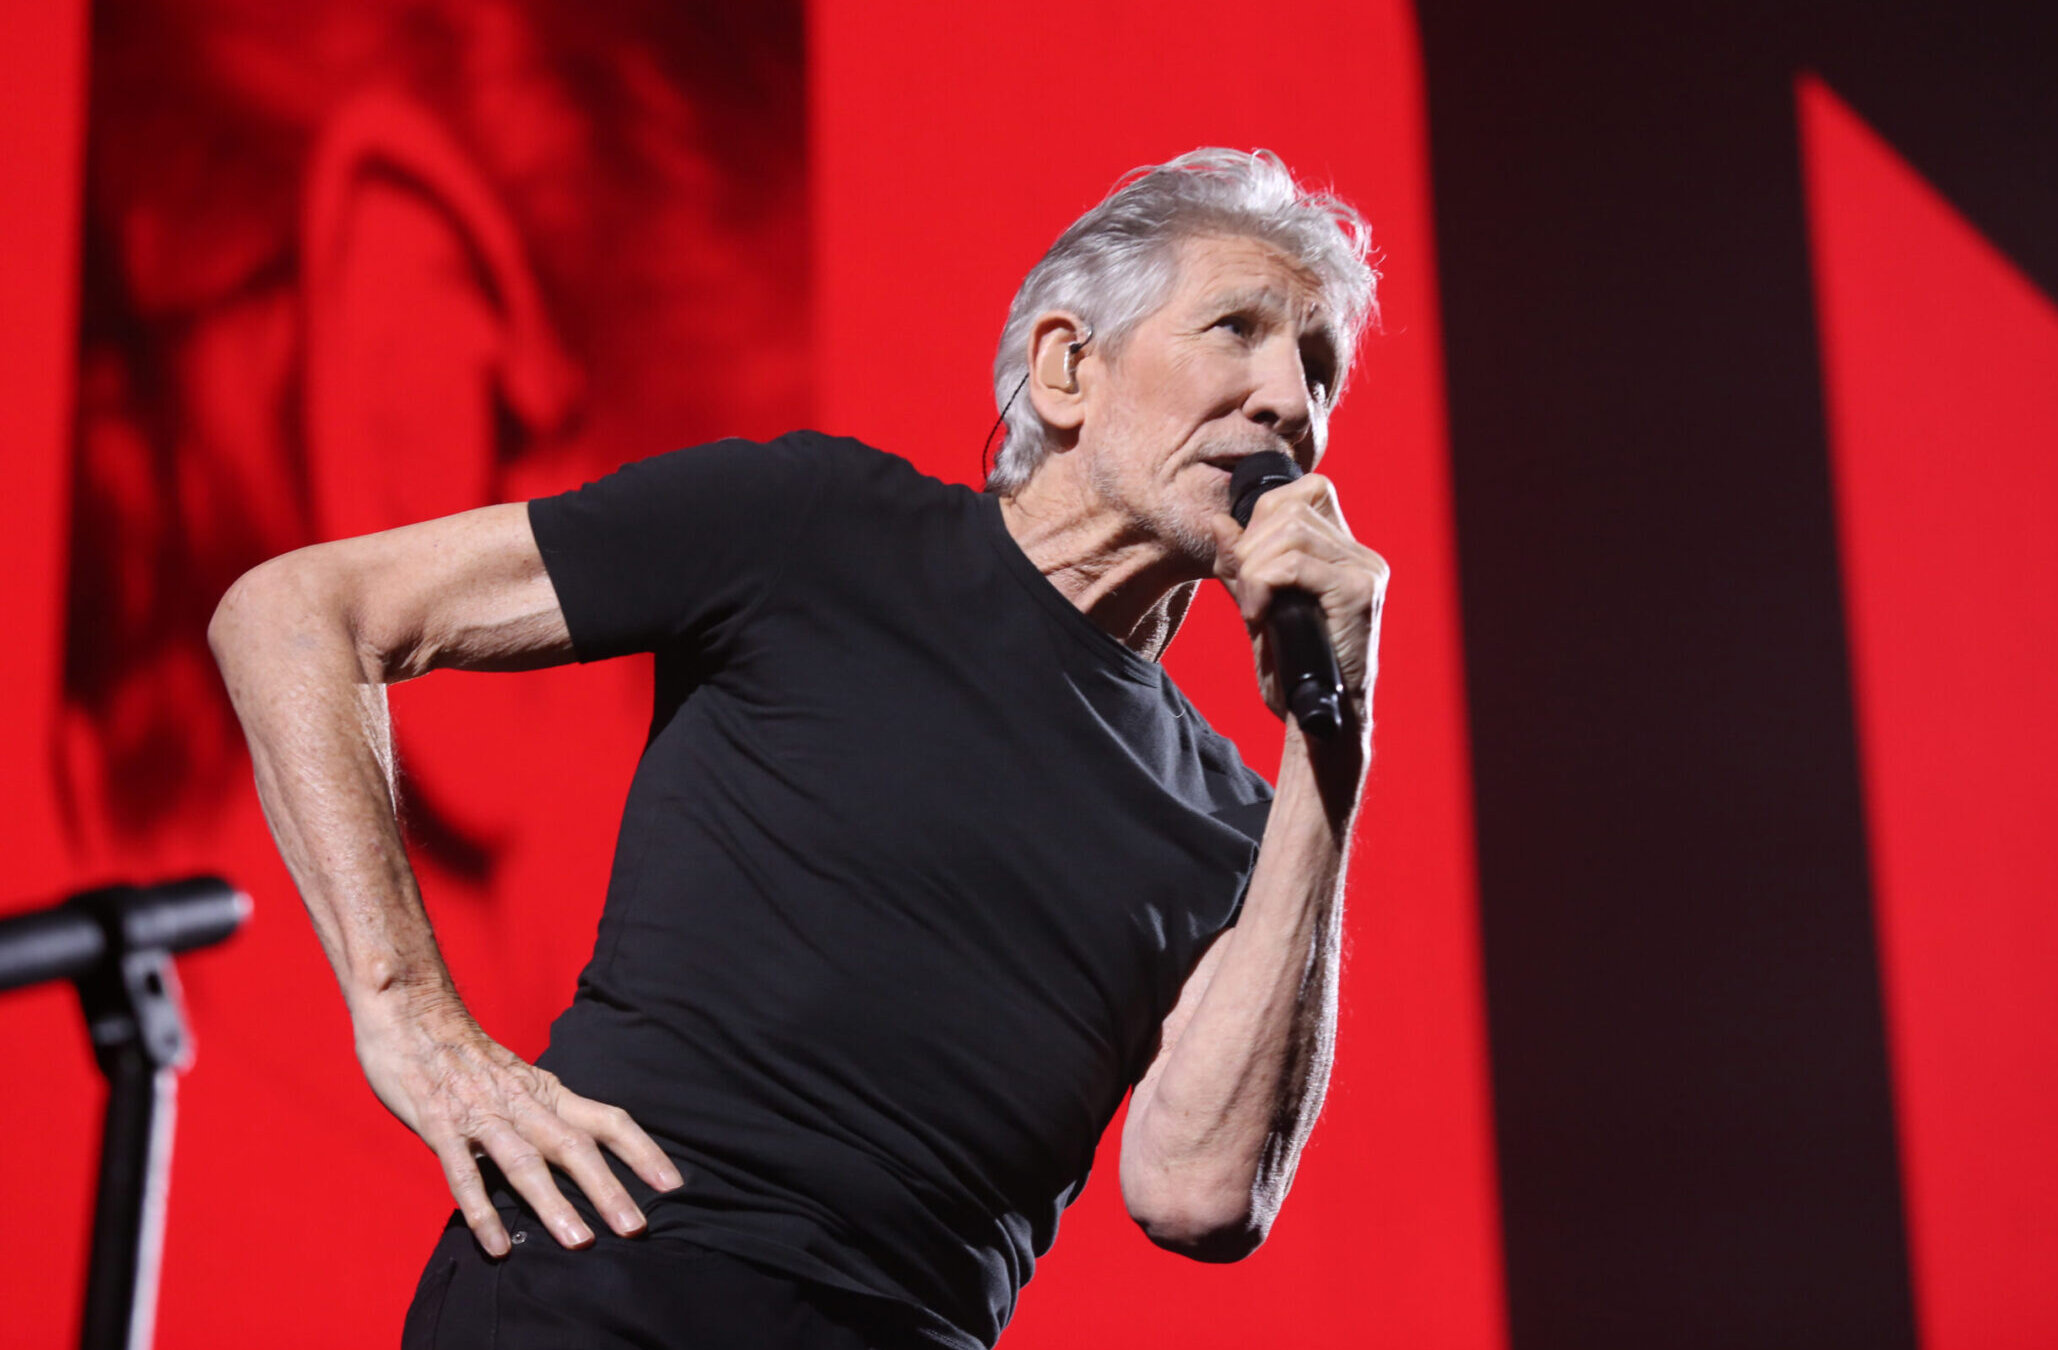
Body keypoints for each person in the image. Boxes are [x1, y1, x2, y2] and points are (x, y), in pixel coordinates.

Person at [210, 148, 1387, 1349]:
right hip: (612, 1282)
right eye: (1236, 328)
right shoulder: (817, 529)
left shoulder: (1237, 824)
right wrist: (414, 1017)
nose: (1288, 399)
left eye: (1317, 367)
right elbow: (297, 616)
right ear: (1066, 367)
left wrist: (1326, 758)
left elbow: (1198, 1194)